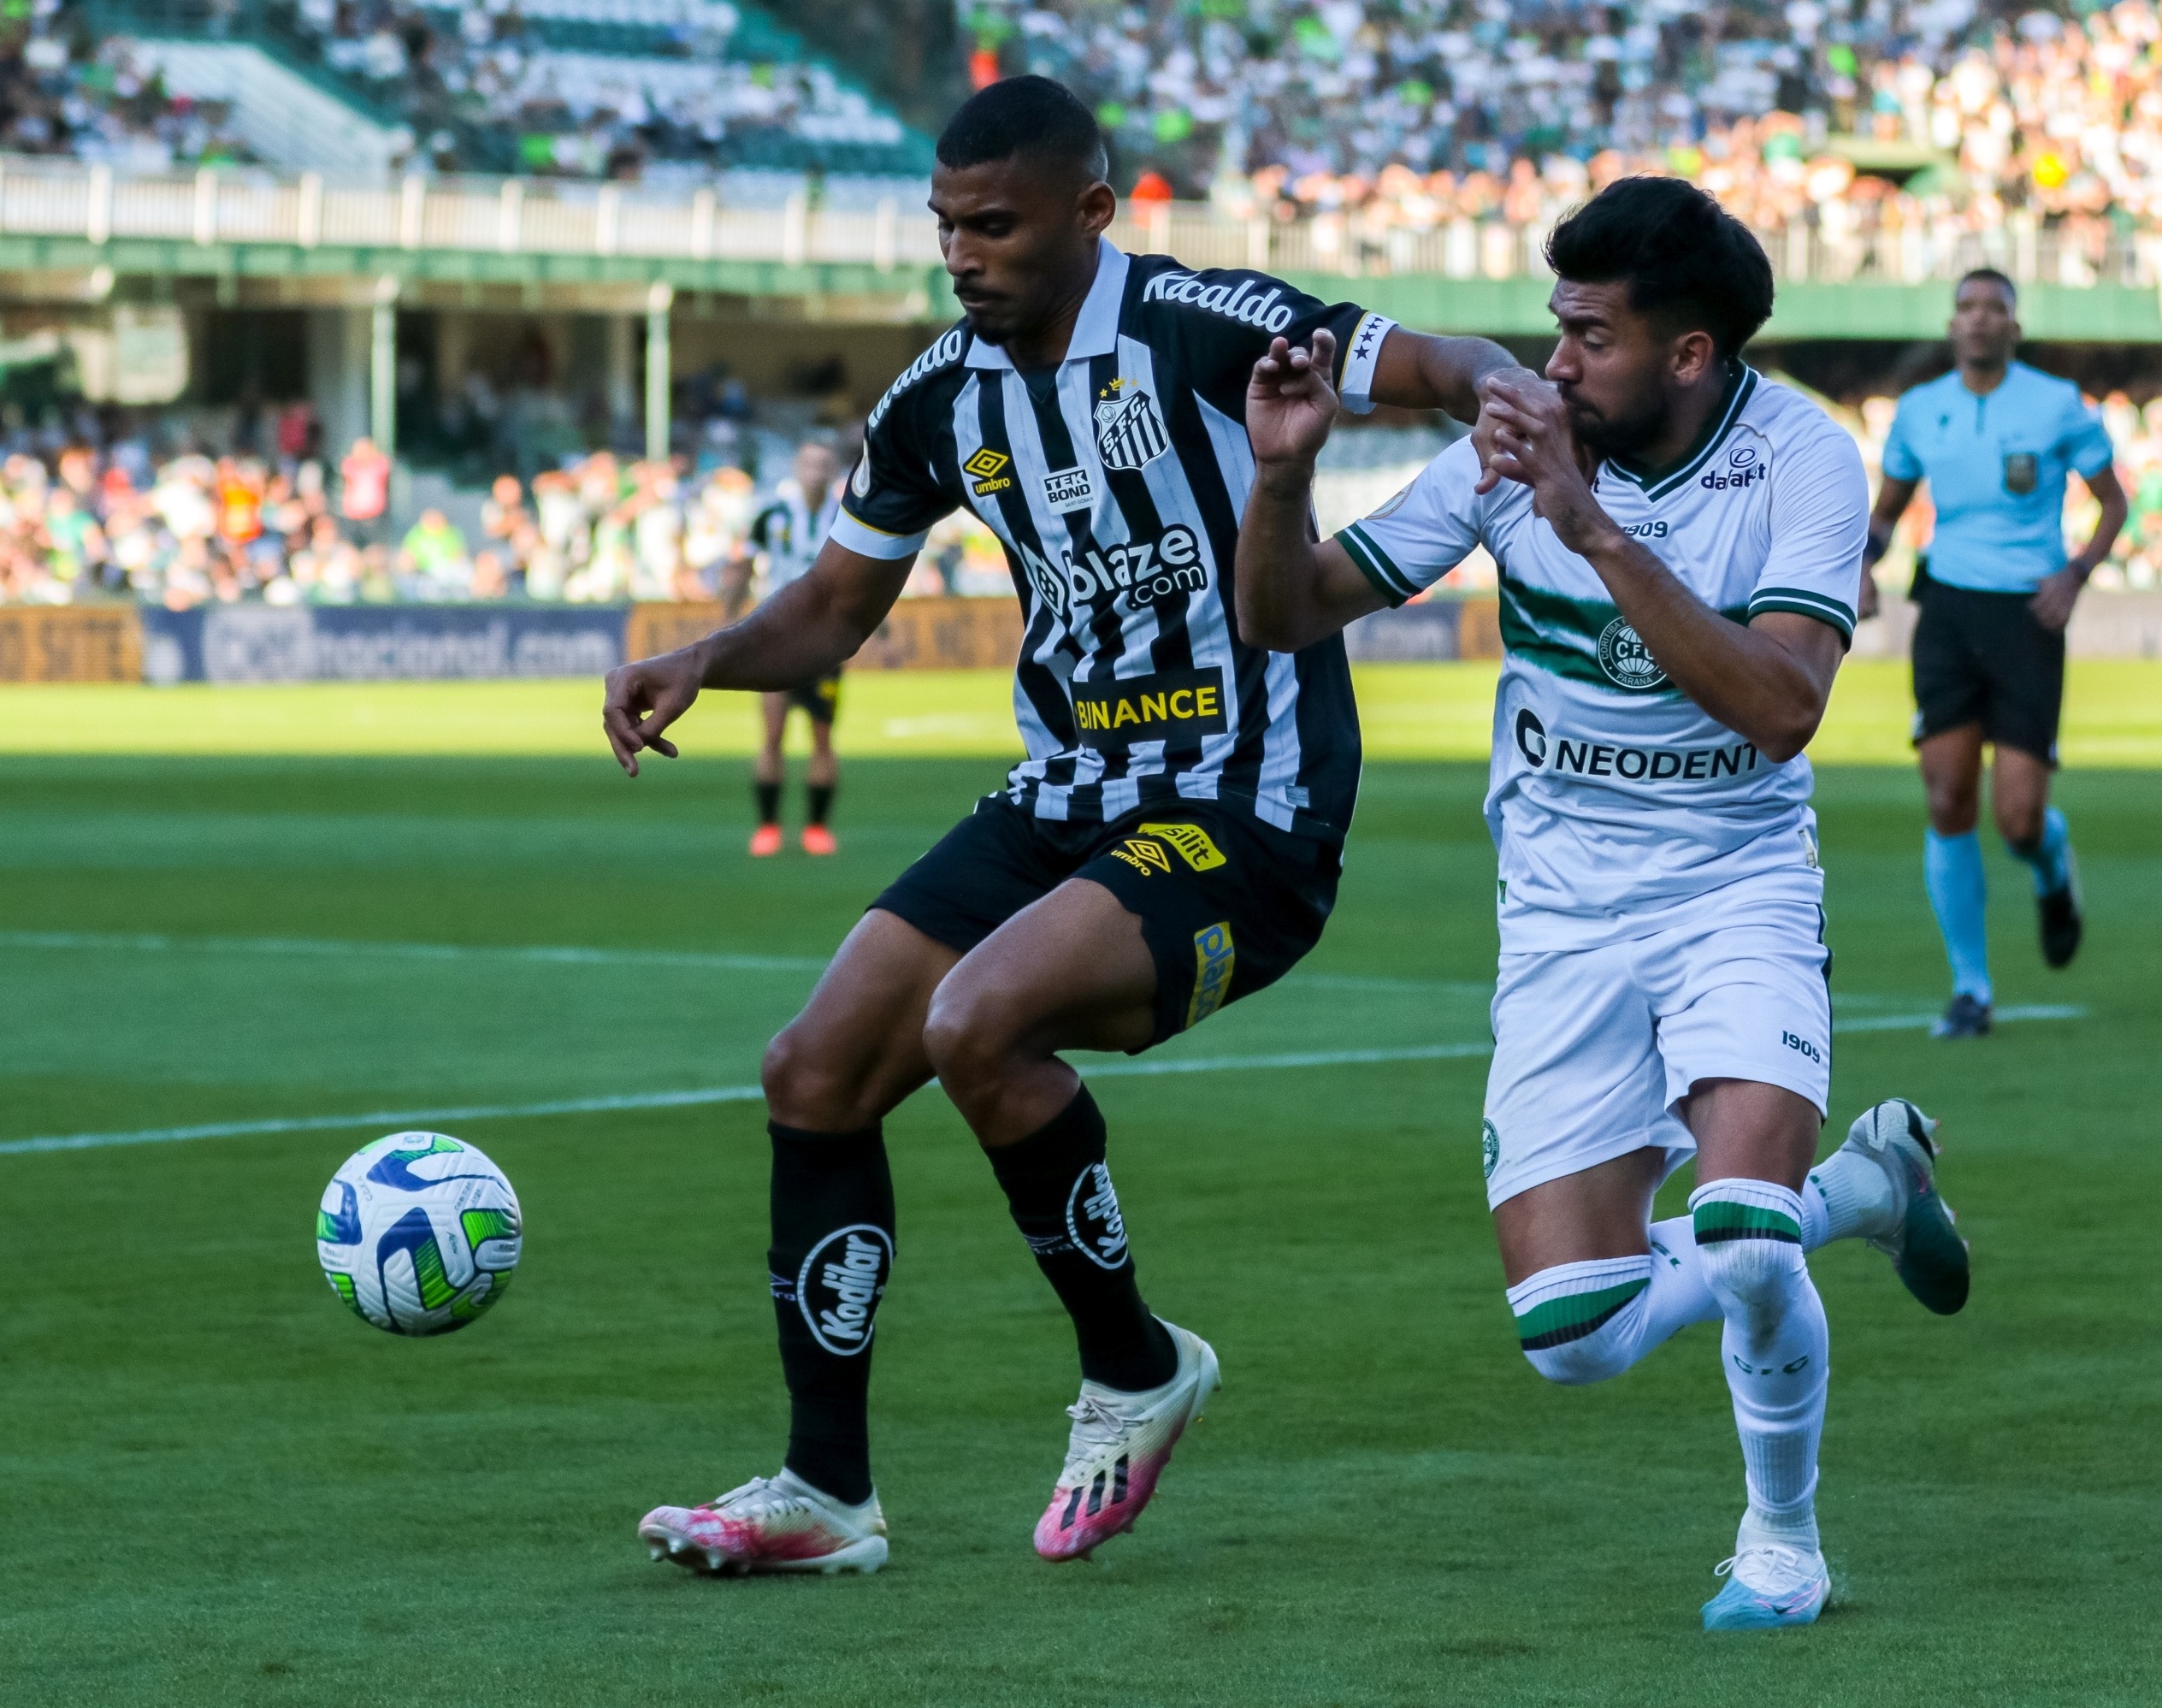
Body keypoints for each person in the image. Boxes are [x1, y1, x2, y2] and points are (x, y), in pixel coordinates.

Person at [600, 74, 1518, 1576]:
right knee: (813, 1069)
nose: (962, 254)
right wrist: (706, 655)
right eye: (946, 226)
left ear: (1091, 212)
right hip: (1064, 793)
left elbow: (1425, 357)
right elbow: (839, 606)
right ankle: (825, 1493)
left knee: (979, 1021)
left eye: (996, 225)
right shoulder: (936, 397)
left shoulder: (1200, 324)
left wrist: (1510, 385)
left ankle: (1136, 1366)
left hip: (1244, 803)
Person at [1232, 175, 1972, 1630]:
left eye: (1588, 336)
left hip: (1732, 884)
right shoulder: (1506, 450)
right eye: (1551, 328)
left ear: (1688, 356)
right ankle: (1873, 1186)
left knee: (1747, 1228)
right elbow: (1284, 612)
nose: (1550, 365)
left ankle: (1781, 1543)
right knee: (1568, 1335)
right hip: (1562, 906)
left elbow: (1779, 709)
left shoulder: (1805, 465)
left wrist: (1589, 527)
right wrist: (1277, 475)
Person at [1860, 270, 2128, 1038]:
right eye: (1968, 308)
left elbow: (2113, 501)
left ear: (2014, 327)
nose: (1979, 321)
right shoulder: (1920, 411)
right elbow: (1888, 513)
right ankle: (1970, 989)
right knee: (1946, 796)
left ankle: (2051, 863)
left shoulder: (2053, 403)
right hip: (1946, 607)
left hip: (2026, 615)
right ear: (1952, 325)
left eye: (1995, 310)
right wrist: (1863, 565)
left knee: (2016, 819)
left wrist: (2075, 574)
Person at [725, 440, 848, 857]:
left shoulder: (846, 517)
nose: (816, 470)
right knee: (773, 731)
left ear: (833, 470)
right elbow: (744, 563)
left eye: (824, 463)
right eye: (809, 462)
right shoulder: (772, 516)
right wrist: (730, 615)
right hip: (776, 637)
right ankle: (768, 827)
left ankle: (816, 828)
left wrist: (876, 632)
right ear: (797, 468)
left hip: (826, 643)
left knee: (822, 735)